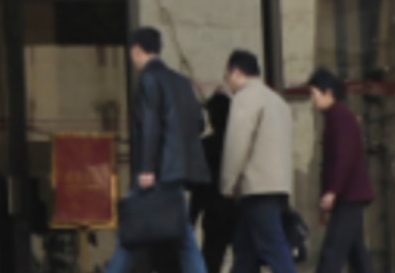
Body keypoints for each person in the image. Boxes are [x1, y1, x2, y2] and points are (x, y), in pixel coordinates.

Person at [107, 28, 211, 273]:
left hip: (156, 172)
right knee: (184, 238)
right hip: (177, 172)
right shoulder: (181, 82)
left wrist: (146, 169)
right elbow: (198, 123)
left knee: (129, 235)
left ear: (137, 50)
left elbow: (150, 126)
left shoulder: (149, 80)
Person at [219, 51, 297, 273]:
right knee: (245, 252)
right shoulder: (278, 102)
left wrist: (228, 183)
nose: (228, 84)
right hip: (279, 186)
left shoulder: (245, 98)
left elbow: (237, 145)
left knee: (274, 249)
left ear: (236, 73)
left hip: (257, 187)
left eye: (227, 78)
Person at [309, 69, 375, 273]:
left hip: (348, 195)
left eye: (314, 94)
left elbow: (343, 158)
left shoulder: (339, 117)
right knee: (356, 253)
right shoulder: (338, 116)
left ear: (328, 92)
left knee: (333, 252)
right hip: (350, 194)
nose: (312, 101)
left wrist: (332, 191)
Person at [191, 87, 238, 272]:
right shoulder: (237, 145)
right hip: (237, 211)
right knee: (244, 261)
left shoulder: (205, 146)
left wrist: (191, 218)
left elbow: (198, 188)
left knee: (211, 263)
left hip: (213, 215)